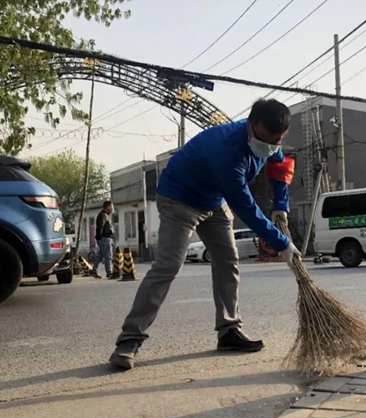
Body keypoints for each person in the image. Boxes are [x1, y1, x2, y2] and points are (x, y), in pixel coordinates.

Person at [109, 99, 300, 370]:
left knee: (227, 260)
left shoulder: (269, 145)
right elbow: (245, 206)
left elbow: (280, 167)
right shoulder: (226, 150)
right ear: (250, 125)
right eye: (264, 139)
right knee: (168, 266)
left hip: (214, 199)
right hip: (180, 199)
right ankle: (129, 339)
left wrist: (281, 206)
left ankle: (229, 330)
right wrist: (282, 243)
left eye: (276, 140)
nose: (268, 146)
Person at [91, 201, 115, 279]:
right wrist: (100, 237)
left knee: (100, 256)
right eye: (112, 206)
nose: (113, 208)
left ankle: (94, 271)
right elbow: (100, 227)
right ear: (107, 207)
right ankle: (109, 273)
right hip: (105, 238)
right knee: (108, 256)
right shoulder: (103, 215)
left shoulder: (107, 215)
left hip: (105, 238)